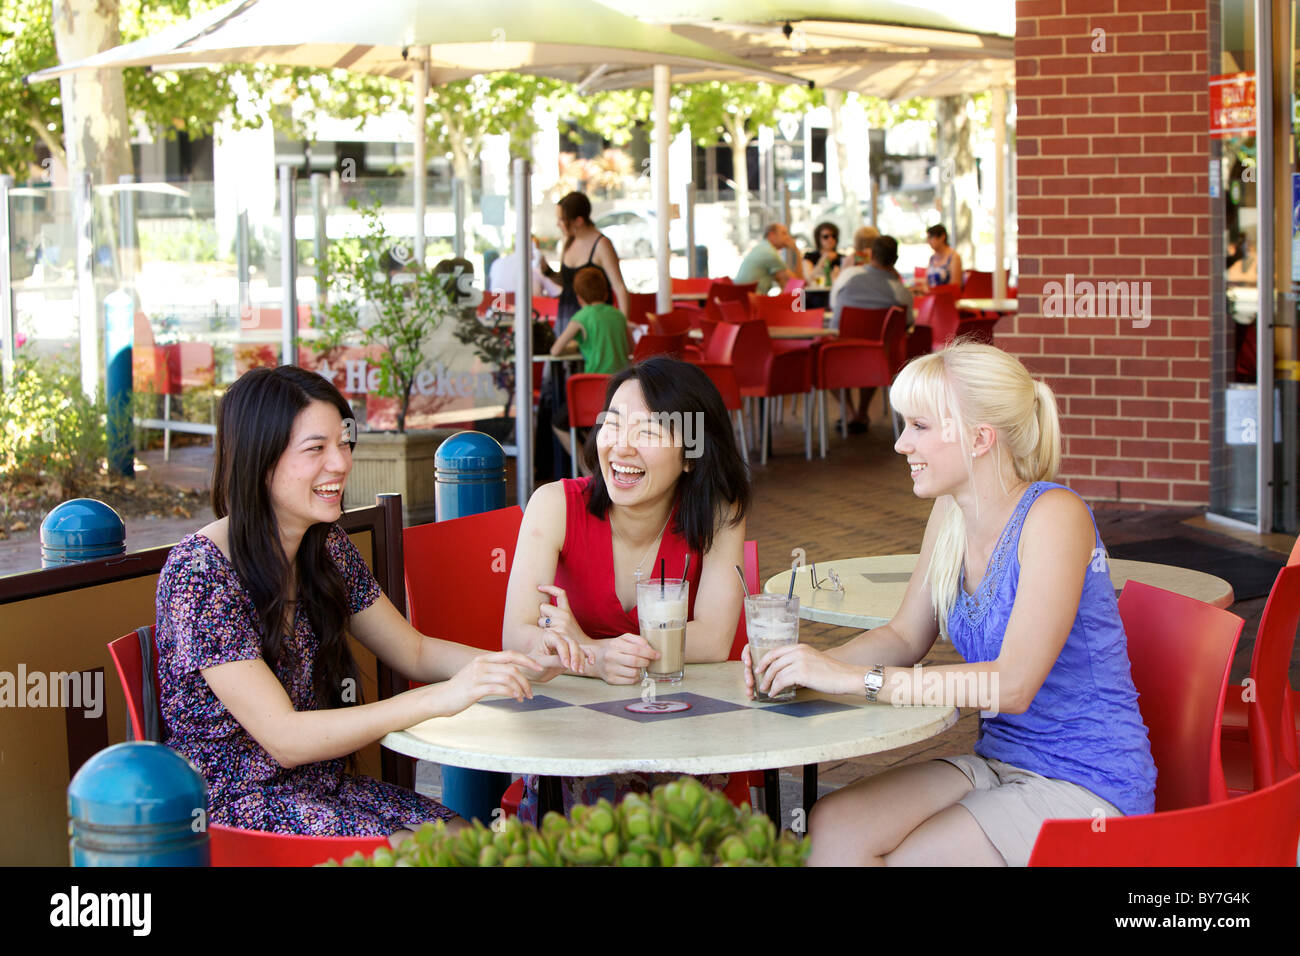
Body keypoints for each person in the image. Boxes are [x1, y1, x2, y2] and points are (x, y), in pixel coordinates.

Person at [746, 342, 1157, 866]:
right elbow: (903, 637)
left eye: (918, 426)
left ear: (979, 438)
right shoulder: (951, 513)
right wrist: (798, 669)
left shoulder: (1056, 516)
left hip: (1086, 781)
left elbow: (1010, 685)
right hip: (1001, 762)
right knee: (830, 831)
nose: (899, 444)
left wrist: (854, 680)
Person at [155, 365, 582, 837]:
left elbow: (414, 651)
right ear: (260, 460)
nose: (340, 463)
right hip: (235, 807)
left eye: (343, 442)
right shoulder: (201, 574)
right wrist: (441, 698)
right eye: (316, 449)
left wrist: (515, 664)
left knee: (472, 842)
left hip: (322, 788)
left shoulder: (325, 545)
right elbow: (284, 739)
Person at [503, 357, 752, 823]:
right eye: (612, 425)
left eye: (649, 432)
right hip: (579, 746)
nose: (621, 446)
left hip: (689, 739)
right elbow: (517, 637)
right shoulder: (555, 505)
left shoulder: (719, 511)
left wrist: (586, 646)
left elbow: (715, 639)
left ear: (692, 452)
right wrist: (596, 660)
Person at [539, 192, 631, 479]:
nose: (559, 226)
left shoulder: (601, 244)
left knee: (587, 393)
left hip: (587, 322)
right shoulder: (568, 242)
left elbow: (619, 286)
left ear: (578, 221)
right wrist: (547, 273)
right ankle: (563, 467)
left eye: (562, 220)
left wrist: (621, 323)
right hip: (570, 317)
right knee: (558, 386)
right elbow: (566, 282)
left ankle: (590, 465)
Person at [550, 266, 633, 466]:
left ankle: (586, 469)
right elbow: (630, 346)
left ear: (579, 297)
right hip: (621, 389)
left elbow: (555, 350)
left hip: (593, 392)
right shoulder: (618, 315)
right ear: (605, 293)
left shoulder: (582, 317)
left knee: (559, 423)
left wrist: (578, 343)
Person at [830, 235, 914, 432]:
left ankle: (850, 412)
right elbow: (907, 322)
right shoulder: (900, 291)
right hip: (878, 356)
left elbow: (835, 305)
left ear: (871, 254)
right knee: (876, 350)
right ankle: (861, 412)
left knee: (823, 357)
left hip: (838, 352)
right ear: (895, 259)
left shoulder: (848, 276)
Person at [735, 222, 799, 295]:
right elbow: (796, 282)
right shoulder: (770, 253)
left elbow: (786, 282)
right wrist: (796, 251)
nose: (788, 237)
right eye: (784, 233)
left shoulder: (762, 247)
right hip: (751, 300)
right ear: (771, 235)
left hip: (741, 297)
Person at [487, 235, 562, 298]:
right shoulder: (533, 269)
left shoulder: (496, 264)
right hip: (530, 313)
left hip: (498, 310)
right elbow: (557, 293)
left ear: (514, 247)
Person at [828, 225, 881, 313]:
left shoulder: (850, 260)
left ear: (856, 242)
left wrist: (834, 278)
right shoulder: (879, 261)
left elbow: (838, 288)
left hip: (847, 312)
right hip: (875, 312)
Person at [921, 224, 963, 292]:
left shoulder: (954, 257)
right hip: (933, 299)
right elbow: (926, 284)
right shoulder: (932, 258)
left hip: (947, 299)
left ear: (942, 237)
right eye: (928, 238)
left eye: (931, 237)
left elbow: (955, 286)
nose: (928, 241)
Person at [802, 221, 843, 286]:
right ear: (818, 239)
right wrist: (822, 261)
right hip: (817, 294)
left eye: (834, 236)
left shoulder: (843, 258)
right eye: (826, 236)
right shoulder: (810, 256)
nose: (830, 239)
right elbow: (809, 280)